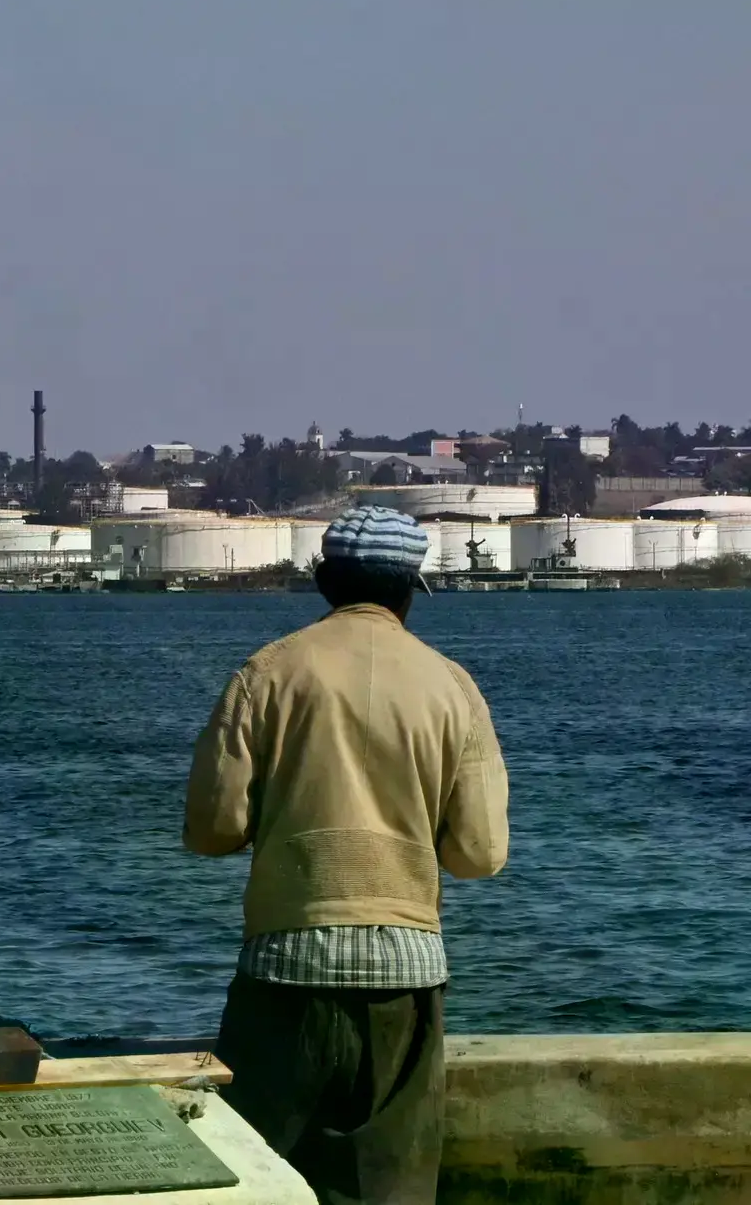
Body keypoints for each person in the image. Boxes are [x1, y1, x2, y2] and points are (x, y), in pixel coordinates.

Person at [183, 507, 509, 1205]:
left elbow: (212, 830)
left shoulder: (265, 674)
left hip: (285, 969)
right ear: (410, 589)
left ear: (324, 579)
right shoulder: (452, 686)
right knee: (386, 1188)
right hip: (405, 978)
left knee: (255, 1182)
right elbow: (479, 853)